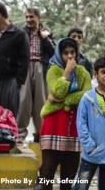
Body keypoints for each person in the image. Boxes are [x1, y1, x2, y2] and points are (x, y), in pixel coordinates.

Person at [40, 37, 91, 190]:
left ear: (77, 53)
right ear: (59, 54)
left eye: (72, 52)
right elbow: (56, 90)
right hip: (52, 126)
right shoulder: (53, 70)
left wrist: (63, 100)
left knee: (68, 176)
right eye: (65, 53)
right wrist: (67, 72)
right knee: (47, 173)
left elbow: (86, 95)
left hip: (74, 128)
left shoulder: (83, 72)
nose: (70, 56)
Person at [73, 57, 105, 190]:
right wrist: (89, 146)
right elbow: (81, 124)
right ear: (96, 74)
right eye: (103, 72)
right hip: (91, 153)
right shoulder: (88, 97)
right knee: (80, 187)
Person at [16, 7, 55, 142]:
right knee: (23, 100)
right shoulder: (20, 33)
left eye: (31, 17)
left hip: (41, 68)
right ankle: (20, 133)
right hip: (25, 68)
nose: (28, 20)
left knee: (41, 101)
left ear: (39, 18)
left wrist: (46, 38)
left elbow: (54, 53)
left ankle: (41, 133)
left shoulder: (46, 33)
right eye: (26, 17)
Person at [0, 2, 29, 117]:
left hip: (9, 83)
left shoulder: (19, 34)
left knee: (6, 118)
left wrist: (17, 83)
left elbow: (25, 60)